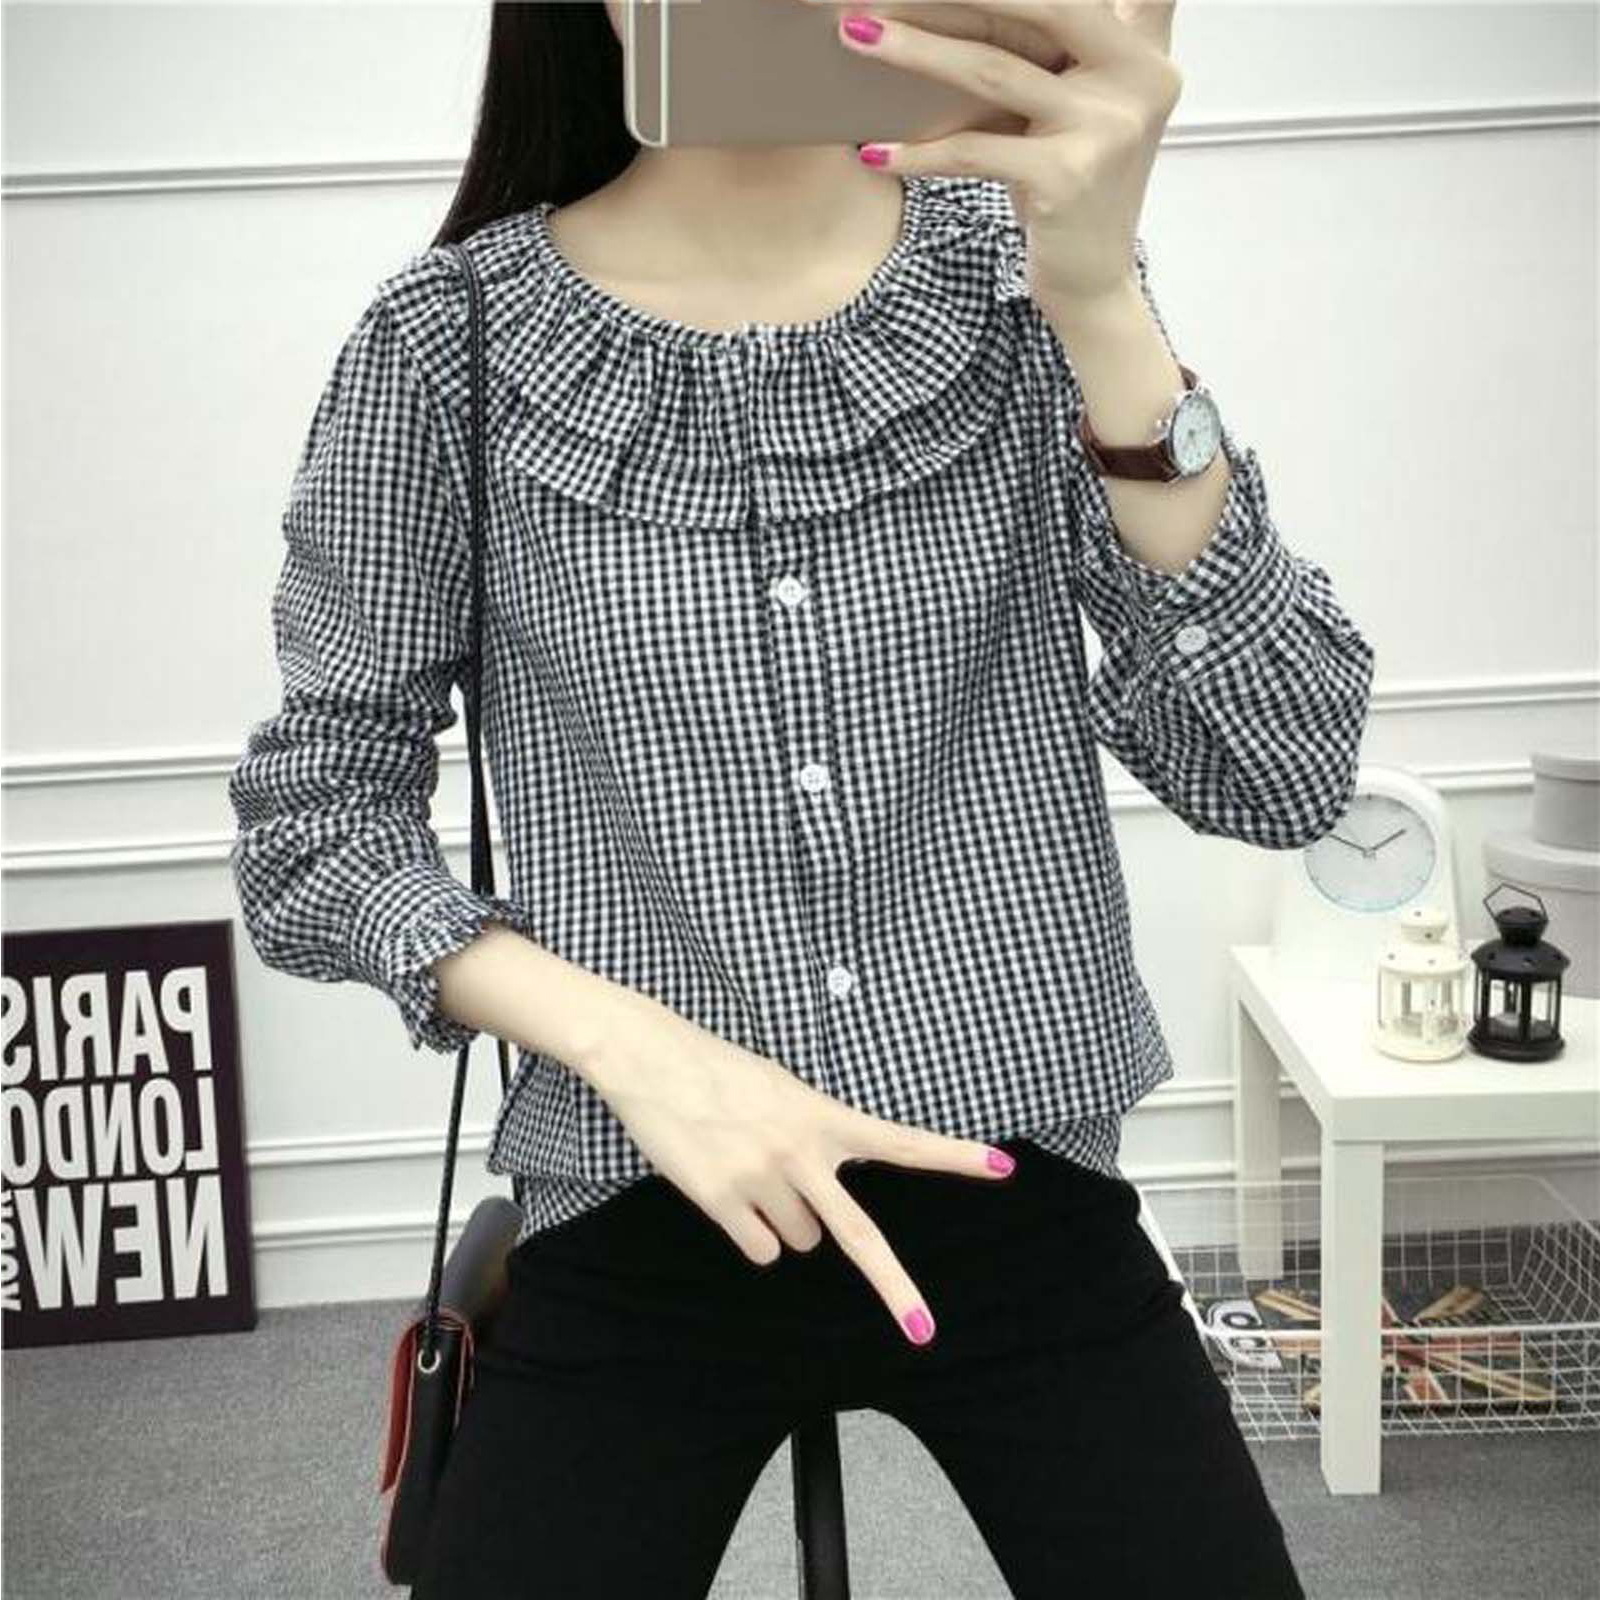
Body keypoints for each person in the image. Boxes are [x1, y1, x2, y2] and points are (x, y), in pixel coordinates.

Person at [229, 2, 1371, 1594]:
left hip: (1021, 1183)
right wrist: (640, 1051)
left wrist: (1104, 301)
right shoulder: (450, 346)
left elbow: (1284, 769)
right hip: (638, 1198)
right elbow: (315, 825)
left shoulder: (1023, 283)